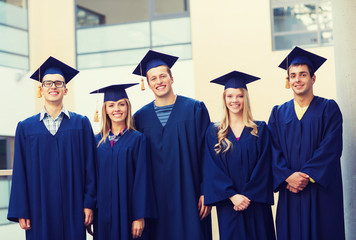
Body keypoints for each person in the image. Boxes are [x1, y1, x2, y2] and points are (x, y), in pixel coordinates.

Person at [7, 56, 96, 240]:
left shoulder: (81, 124)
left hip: (74, 206)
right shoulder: (26, 127)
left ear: (66, 89)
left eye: (58, 83)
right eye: (48, 83)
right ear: (41, 89)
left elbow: (91, 167)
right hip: (39, 207)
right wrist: (22, 209)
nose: (53, 86)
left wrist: (89, 203)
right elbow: (19, 172)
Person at [132, 50, 212, 240]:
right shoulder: (140, 118)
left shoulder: (194, 109)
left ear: (172, 78)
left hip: (190, 196)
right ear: (148, 84)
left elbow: (207, 154)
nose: (158, 81)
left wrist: (206, 192)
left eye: (162, 76)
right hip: (155, 201)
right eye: (153, 78)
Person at [268, 46, 345, 240]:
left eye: (303, 74)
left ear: (313, 78)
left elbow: (331, 148)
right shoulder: (278, 113)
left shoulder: (329, 109)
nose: (297, 80)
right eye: (293, 75)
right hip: (290, 193)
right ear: (288, 80)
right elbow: (272, 150)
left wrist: (306, 176)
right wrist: (287, 176)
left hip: (321, 193)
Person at [204, 71, 275, 240]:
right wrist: (233, 196)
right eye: (230, 96)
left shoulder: (260, 129)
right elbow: (212, 169)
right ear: (224, 99)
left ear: (246, 98)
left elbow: (264, 165)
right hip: (229, 205)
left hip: (256, 204)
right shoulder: (214, 132)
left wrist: (248, 196)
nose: (234, 100)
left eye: (239, 96)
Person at [89, 83, 156, 240]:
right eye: (111, 105)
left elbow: (143, 180)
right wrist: (91, 209)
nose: (116, 109)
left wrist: (139, 216)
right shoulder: (96, 141)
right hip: (103, 214)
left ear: (128, 107)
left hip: (129, 213)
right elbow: (91, 179)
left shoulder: (138, 139)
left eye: (121, 104)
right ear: (105, 110)